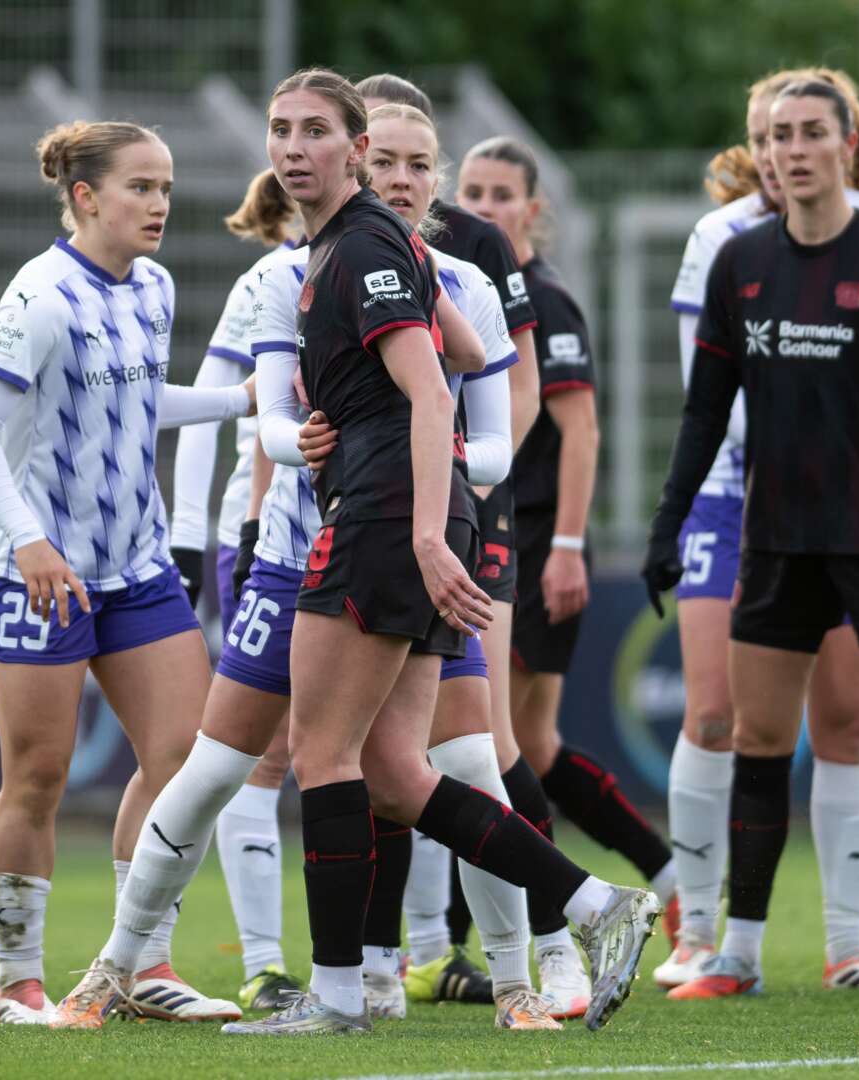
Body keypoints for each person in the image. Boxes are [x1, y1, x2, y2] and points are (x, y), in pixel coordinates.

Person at [51, 69, 654, 1037]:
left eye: (315, 132)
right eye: (280, 131)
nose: (292, 149)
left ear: (354, 149)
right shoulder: (378, 248)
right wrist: (327, 439)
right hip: (395, 520)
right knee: (400, 775)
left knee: (331, 756)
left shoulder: (359, 248)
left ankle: (344, 996)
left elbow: (430, 389)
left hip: (382, 525)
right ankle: (594, 908)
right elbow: (461, 355)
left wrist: (419, 528)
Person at [642, 78, 859, 1002]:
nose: (791, 151)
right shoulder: (738, 262)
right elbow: (704, 412)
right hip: (777, 539)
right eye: (778, 137)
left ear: (846, 145)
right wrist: (668, 521)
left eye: (810, 135)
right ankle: (738, 954)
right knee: (756, 741)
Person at [0, 119, 256, 1025]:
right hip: (38, 572)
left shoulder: (153, 288)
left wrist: (235, 401)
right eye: (140, 188)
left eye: (165, 188)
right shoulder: (38, 295)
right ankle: (19, 981)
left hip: (138, 569)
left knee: (186, 763)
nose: (159, 204)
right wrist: (28, 539)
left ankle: (141, 966)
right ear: (85, 197)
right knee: (36, 777)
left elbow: (133, 399)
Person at [459, 135, 681, 1010]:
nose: (484, 205)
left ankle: (561, 922)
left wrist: (567, 545)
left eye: (501, 192)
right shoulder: (455, 282)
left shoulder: (543, 301)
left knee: (492, 746)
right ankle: (653, 875)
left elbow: (580, 432)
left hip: (532, 534)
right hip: (496, 527)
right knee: (520, 747)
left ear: (534, 209)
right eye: (470, 188)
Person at [354, 73, 558, 1011]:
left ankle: (541, 955)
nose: (401, 177)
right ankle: (370, 968)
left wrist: (455, 491)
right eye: (383, 158)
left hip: (448, 539)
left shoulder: (469, 267)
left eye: (417, 163)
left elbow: (498, 412)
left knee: (477, 753)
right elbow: (276, 408)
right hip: (336, 543)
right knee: (329, 763)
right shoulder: (303, 259)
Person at [175, 167, 307, 1012]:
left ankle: (402, 957)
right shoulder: (269, 278)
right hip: (266, 539)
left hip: (374, 538)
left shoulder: (418, 269)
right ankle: (263, 964)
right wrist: (193, 537)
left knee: (400, 751)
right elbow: (216, 407)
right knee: (265, 752)